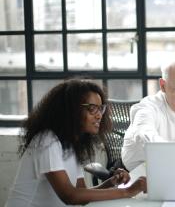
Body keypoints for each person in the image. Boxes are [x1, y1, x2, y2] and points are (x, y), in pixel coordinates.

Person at [6, 79, 147, 207]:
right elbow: (69, 196)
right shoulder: (47, 140)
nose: (99, 115)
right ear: (71, 110)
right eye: (92, 108)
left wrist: (111, 183)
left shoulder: (72, 145)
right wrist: (128, 191)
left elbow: (81, 195)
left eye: (101, 108)